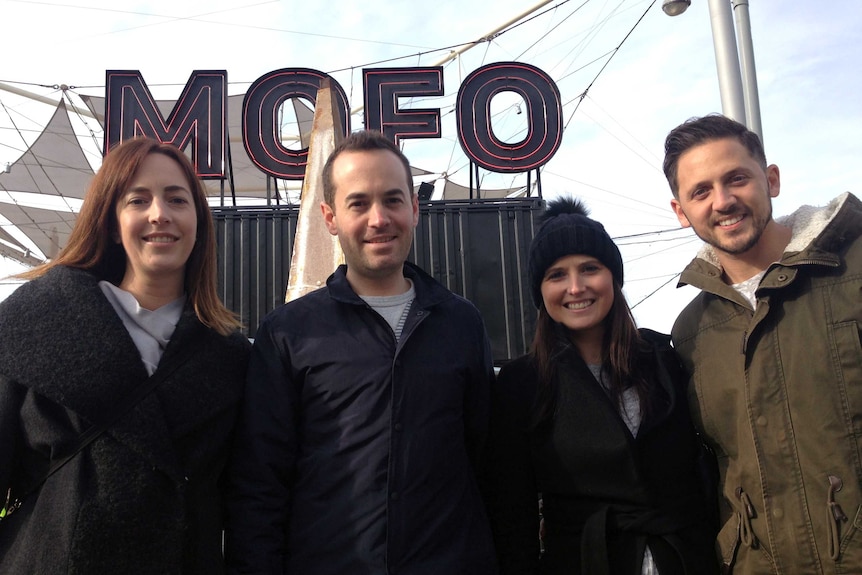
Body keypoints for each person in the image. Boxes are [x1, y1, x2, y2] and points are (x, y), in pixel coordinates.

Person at [224, 130, 497, 574]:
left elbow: (487, 465)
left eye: (392, 200)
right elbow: (260, 487)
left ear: (414, 208)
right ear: (330, 217)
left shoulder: (462, 324)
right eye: (359, 203)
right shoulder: (289, 334)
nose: (378, 219)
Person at [0, 137, 251, 574]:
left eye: (177, 199)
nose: (160, 214)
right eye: (138, 199)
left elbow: (247, 500)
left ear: (198, 221)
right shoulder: (31, 320)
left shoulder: (232, 357)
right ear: (113, 223)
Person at [663, 114, 862, 574]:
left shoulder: (852, 270)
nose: (723, 201)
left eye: (736, 178)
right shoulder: (691, 333)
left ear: (770, 179)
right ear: (680, 211)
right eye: (702, 191)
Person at [483, 197, 718, 574]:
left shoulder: (666, 359)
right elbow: (512, 512)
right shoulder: (522, 385)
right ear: (540, 292)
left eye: (589, 268)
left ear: (613, 277)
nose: (576, 288)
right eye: (557, 275)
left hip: (688, 558)